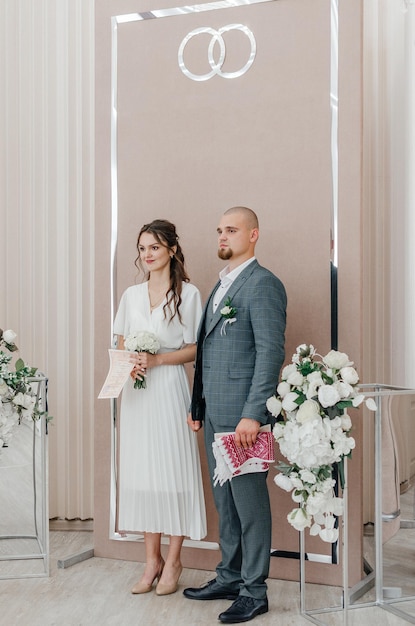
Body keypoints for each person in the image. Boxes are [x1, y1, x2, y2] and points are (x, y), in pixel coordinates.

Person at [183, 207, 287, 624]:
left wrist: (254, 414)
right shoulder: (222, 284)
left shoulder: (262, 285)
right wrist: (198, 405)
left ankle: (254, 590)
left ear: (254, 234)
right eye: (219, 231)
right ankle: (228, 576)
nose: (222, 236)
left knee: (249, 504)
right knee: (225, 504)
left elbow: (270, 353)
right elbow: (208, 351)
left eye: (231, 230)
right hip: (214, 413)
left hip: (243, 419)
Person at [113, 219, 206, 597]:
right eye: (142, 248)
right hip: (137, 395)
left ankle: (174, 559)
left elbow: (196, 347)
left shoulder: (189, 294)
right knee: (143, 474)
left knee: (172, 471)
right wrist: (129, 360)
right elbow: (119, 343)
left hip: (168, 389)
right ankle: (150, 561)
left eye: (154, 247)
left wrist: (157, 361)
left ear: (170, 249)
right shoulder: (130, 296)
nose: (147, 254)